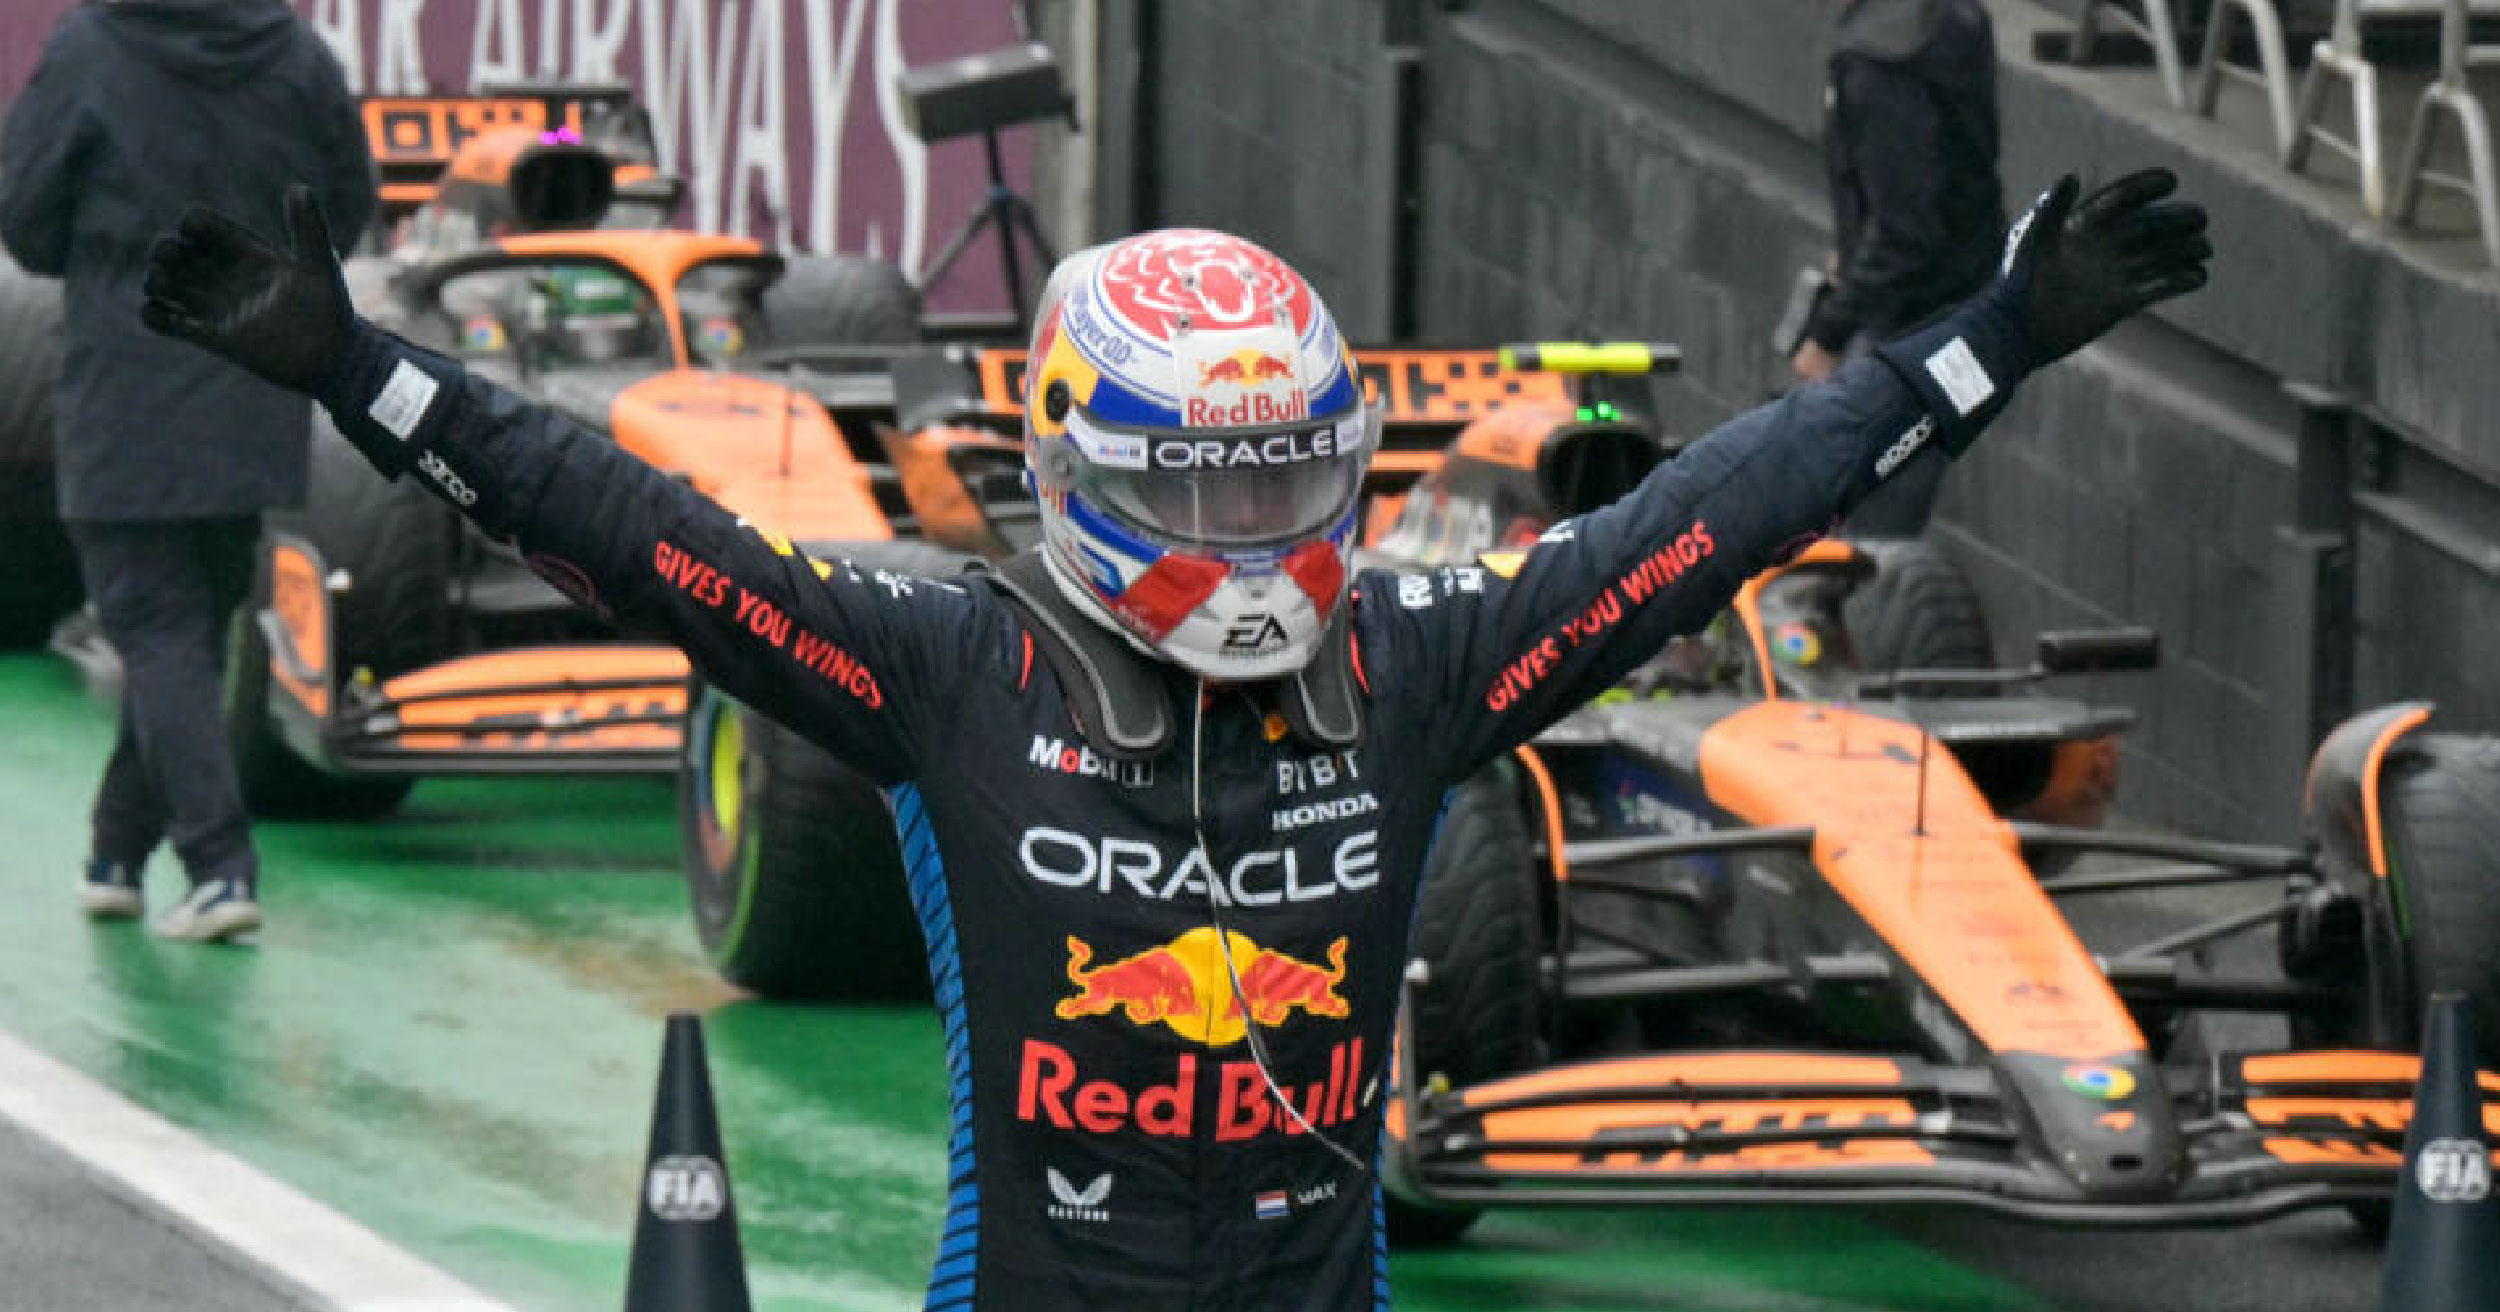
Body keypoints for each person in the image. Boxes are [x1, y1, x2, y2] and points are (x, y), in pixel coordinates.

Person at [141, 173, 2206, 1307]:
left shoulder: (1421, 657)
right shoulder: (941, 665)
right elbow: (632, 530)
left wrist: (1992, 337)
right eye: (1200, 489)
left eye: (1285, 484)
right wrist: (357, 368)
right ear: (1077, 464)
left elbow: (1724, 512)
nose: (1250, 537)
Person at [0, 0, 375, 941]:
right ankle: (116, 850)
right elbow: (347, 204)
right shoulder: (292, 49)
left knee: (155, 628)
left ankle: (219, 866)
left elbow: (27, 221)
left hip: (124, 389)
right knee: (186, 635)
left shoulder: (90, 46)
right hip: (254, 382)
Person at [1793, 0, 2005, 534]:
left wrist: (1828, 333)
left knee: (1864, 522)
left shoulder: (1879, 63)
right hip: (1966, 300)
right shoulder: (1947, 19)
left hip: (1910, 322)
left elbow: (1906, 233)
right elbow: (1953, 165)